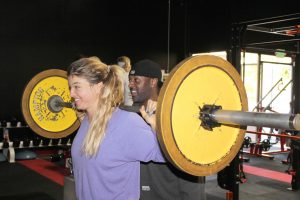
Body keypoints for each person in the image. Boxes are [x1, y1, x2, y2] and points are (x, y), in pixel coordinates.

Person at [67, 56, 165, 200]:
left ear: (98, 87)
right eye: (70, 87)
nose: (71, 94)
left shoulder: (127, 124)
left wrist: (157, 127)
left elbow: (166, 155)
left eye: (77, 87)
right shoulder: (87, 122)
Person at [129, 59, 206, 200]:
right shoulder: (131, 115)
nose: (130, 84)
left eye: (136, 80)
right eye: (130, 80)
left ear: (153, 82)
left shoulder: (174, 118)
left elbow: (189, 168)